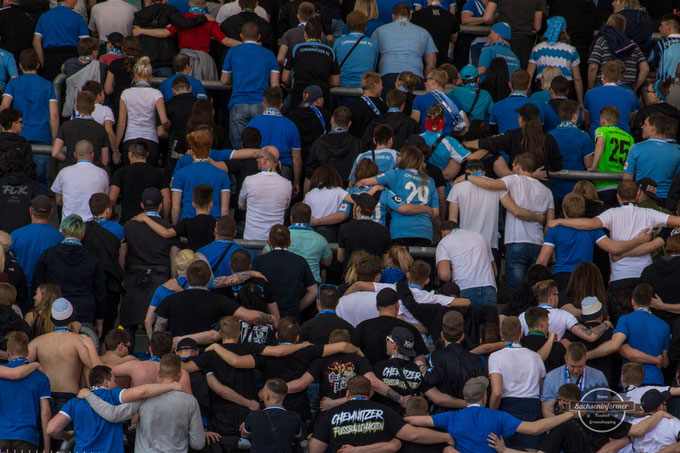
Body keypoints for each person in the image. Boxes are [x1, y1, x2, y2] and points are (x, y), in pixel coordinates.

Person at [548, 180, 680, 317]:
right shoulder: (649, 213)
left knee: (620, 322)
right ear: (638, 194)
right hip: (644, 276)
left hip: (619, 277)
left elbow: (589, 224)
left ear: (617, 196)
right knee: (644, 319)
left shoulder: (612, 213)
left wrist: (560, 221)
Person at [459, 153, 554, 293]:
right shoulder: (547, 191)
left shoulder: (513, 180)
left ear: (517, 166)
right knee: (536, 290)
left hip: (517, 241)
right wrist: (550, 251)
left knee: (517, 291)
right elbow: (550, 224)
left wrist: (467, 176)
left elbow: (490, 184)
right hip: (539, 243)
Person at [406, 375, 575, 452]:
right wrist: (569, 414)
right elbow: (535, 429)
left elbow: (417, 421)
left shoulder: (451, 417)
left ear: (465, 399)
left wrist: (398, 419)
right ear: (485, 397)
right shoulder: (498, 416)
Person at [78, 354, 206, 453]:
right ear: (179, 375)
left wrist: (90, 396)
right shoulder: (190, 402)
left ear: (159, 374)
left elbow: (113, 414)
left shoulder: (144, 398)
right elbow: (198, 443)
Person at [46, 364, 182, 453]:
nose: (116, 383)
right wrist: (172, 386)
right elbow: (142, 392)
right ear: (106, 382)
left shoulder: (75, 402)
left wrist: (68, 435)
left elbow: (51, 429)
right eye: (114, 380)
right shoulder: (113, 395)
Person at [536, 193, 651, 293]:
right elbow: (614, 248)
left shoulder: (554, 230)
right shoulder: (593, 230)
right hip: (586, 277)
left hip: (562, 276)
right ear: (583, 209)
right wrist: (639, 240)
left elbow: (542, 261)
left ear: (563, 208)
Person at [308, 375, 454, 451]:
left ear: (347, 393)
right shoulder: (383, 411)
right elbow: (413, 435)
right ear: (371, 393)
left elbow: (315, 448)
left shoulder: (331, 415)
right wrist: (445, 436)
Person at [119, 188, 180, 342]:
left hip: (134, 278)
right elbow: (174, 258)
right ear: (161, 206)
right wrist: (173, 280)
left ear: (141, 205)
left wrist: (123, 276)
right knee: (158, 328)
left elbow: (122, 255)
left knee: (128, 326)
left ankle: (128, 356)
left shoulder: (128, 226)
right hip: (160, 280)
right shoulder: (169, 228)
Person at [28, 298, 98, 427]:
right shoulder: (78, 341)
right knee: (67, 443)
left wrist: (37, 366)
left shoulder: (38, 341)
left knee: (46, 443)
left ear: (52, 320)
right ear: (72, 319)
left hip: (43, 398)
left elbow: (21, 365)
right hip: (68, 397)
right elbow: (95, 367)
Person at [33, 214, 106, 334]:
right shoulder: (93, 259)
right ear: (82, 234)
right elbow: (100, 293)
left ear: (62, 232)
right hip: (83, 313)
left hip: (54, 313)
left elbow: (38, 285)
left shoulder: (48, 255)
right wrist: (99, 321)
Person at [585, 284, 670, 386]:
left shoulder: (625, 319)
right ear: (651, 302)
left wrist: (586, 355)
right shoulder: (664, 325)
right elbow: (665, 362)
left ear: (632, 301)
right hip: (655, 380)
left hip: (630, 380)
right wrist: (656, 360)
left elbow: (616, 346)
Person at [0, 49, 59, 194]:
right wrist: (54, 138)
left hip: (18, 138)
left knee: (17, 176)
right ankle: (41, 213)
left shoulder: (13, 84)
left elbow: (4, 107)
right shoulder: (47, 85)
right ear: (38, 65)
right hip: (42, 137)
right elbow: (54, 114)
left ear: (20, 66)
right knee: (40, 180)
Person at [355, 145, 439, 246]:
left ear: (405, 158)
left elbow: (363, 182)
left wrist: (374, 188)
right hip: (425, 232)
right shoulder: (430, 180)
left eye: (400, 155)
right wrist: (425, 210)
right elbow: (435, 213)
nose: (397, 157)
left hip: (400, 231)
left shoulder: (396, 174)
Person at [488, 317, 546, 449]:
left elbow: (497, 393)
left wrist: (491, 414)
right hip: (532, 408)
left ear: (501, 334)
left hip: (507, 410)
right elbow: (541, 386)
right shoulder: (535, 357)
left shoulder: (496, 357)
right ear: (521, 333)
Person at [222, 23, 279, 149]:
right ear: (259, 37)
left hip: (238, 103)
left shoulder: (232, 52)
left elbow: (224, 80)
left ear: (241, 36)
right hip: (261, 104)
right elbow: (275, 85)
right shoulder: (269, 54)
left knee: (239, 148)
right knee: (260, 146)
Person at [0, 331, 51, 452]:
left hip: (1, 435)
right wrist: (47, 447)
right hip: (27, 437)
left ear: (7, 352)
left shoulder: (2, 373)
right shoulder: (41, 377)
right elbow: (46, 413)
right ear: (27, 353)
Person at [253, 225, 317, 319]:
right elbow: (313, 291)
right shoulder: (300, 261)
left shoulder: (259, 261)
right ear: (289, 243)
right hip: (291, 317)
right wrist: (297, 308)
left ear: (269, 242)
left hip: (266, 316)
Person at [115, 56, 169, 167]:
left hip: (130, 140)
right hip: (151, 141)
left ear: (135, 76)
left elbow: (121, 124)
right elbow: (163, 120)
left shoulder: (126, 93)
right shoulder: (156, 94)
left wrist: (115, 148)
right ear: (150, 77)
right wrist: (168, 127)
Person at [351, 287, 428, 363]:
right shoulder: (409, 328)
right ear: (397, 306)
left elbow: (353, 354)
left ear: (377, 307)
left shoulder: (362, 327)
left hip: (370, 374)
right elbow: (420, 361)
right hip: (401, 374)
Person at [371, 3, 438, 90]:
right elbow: (431, 63)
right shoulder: (423, 32)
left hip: (388, 77)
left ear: (393, 16)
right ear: (410, 16)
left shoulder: (380, 30)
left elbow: (371, 59)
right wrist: (426, 83)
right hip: (415, 77)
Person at [247, 87, 301, 190]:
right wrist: (297, 182)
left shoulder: (253, 123)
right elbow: (297, 159)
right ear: (281, 105)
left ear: (263, 104)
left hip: (259, 168)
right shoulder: (291, 126)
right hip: (283, 170)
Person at [171, 130, 231, 223]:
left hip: (188, 223)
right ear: (208, 151)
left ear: (191, 152)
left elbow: (175, 208)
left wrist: (175, 227)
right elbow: (225, 210)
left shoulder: (181, 173)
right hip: (213, 223)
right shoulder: (222, 174)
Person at [281, 17, 339, 108]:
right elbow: (335, 82)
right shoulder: (330, 51)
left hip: (299, 94)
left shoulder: (296, 49)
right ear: (322, 34)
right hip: (321, 97)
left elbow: (284, 78)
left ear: (305, 34)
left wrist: (291, 84)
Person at [436, 220, 497, 307]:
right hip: (489, 289)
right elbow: (494, 272)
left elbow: (444, 275)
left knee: (468, 320)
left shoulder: (445, 241)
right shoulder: (481, 237)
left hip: (464, 288)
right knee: (489, 320)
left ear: (442, 233)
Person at [540, 342, 609, 418]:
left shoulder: (598, 376)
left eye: (580, 366)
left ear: (586, 358)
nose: (576, 371)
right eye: (572, 366)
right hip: (561, 422)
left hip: (589, 421)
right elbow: (547, 410)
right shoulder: (552, 377)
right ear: (566, 359)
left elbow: (602, 410)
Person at [9, 195, 63, 291]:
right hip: (46, 292)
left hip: (21, 289)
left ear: (31, 211)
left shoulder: (16, 235)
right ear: (51, 212)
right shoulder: (59, 237)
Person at [623, 113, 680, 204]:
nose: (642, 127)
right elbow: (677, 182)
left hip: (642, 199)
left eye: (645, 124)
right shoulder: (677, 152)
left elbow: (626, 180)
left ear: (653, 127)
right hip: (666, 201)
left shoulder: (636, 148)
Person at [109, 140, 170, 223]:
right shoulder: (159, 174)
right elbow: (167, 200)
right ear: (147, 154)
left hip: (128, 221)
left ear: (130, 154)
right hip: (153, 222)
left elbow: (112, 198)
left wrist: (112, 214)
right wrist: (164, 219)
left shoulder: (121, 173)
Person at [527, 17, 583, 106]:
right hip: (563, 89)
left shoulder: (538, 48)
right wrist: (580, 102)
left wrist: (528, 96)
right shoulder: (571, 50)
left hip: (542, 87)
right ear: (564, 30)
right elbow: (577, 78)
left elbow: (528, 76)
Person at [239, 147, 292, 240]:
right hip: (274, 240)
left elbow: (240, 205)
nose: (256, 159)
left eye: (258, 157)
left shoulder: (249, 181)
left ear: (264, 160)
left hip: (252, 237)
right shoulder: (287, 184)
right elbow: (285, 208)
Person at [51, 140, 110, 222]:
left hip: (70, 226)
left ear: (75, 154)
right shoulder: (102, 173)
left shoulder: (64, 172)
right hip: (95, 226)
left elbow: (58, 201)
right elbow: (105, 199)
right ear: (92, 155)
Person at [587, 14, 649, 91]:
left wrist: (591, 88)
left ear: (608, 23)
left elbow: (593, 67)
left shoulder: (601, 41)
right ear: (624, 27)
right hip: (627, 88)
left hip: (603, 87)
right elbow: (645, 69)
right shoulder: (632, 45)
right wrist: (635, 89)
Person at [587, 105, 634, 205]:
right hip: (621, 186)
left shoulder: (602, 130)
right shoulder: (629, 137)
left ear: (603, 119)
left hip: (604, 184)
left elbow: (600, 143)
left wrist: (594, 166)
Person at [32, 0, 89, 81]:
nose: (76, 1)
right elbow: (86, 43)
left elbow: (36, 42)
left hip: (50, 59)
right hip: (72, 58)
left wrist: (43, 63)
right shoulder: (78, 18)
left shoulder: (44, 17)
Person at [241, 378, 303, 452]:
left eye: (262, 390)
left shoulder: (254, 416)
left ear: (267, 396)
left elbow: (244, 434)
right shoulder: (294, 418)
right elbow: (296, 435)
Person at [52, 91, 111, 166]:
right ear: (93, 108)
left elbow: (55, 153)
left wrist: (68, 160)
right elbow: (104, 161)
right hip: (93, 170)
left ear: (76, 107)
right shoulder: (101, 129)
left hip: (71, 168)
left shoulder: (66, 126)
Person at [306, 106, 360, 187]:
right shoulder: (357, 143)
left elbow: (309, 176)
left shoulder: (318, 143)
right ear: (349, 124)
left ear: (331, 120)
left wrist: (305, 197)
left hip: (322, 193)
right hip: (346, 194)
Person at [412, 68, 468, 136]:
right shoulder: (456, 102)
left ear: (433, 81)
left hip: (425, 142)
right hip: (448, 142)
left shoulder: (419, 99)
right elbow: (466, 127)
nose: (425, 83)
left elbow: (413, 124)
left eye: (427, 80)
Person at [333, 11, 379, 88]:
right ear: (365, 27)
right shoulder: (373, 44)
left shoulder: (338, 42)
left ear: (347, 26)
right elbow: (373, 69)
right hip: (364, 88)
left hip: (342, 89)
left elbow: (333, 66)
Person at [411, 0, 459, 67]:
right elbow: (453, 39)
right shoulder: (451, 17)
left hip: (421, 60)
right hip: (441, 60)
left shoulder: (416, 15)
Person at [0, 150, 38, 234]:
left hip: (2, 233)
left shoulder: (1, 182)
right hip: (25, 232)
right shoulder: (32, 184)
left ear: (5, 164)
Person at [521, 306, 565, 372]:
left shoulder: (520, 344)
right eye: (548, 322)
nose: (548, 325)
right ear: (542, 323)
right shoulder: (557, 347)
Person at [346, 71, 387, 139]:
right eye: (381, 84)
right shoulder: (383, 106)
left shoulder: (350, 106)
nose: (382, 87)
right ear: (375, 85)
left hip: (354, 146)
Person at [649, 14, 680, 82]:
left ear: (669, 27)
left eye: (661, 25)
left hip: (665, 88)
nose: (659, 28)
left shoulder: (661, 45)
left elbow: (649, 66)